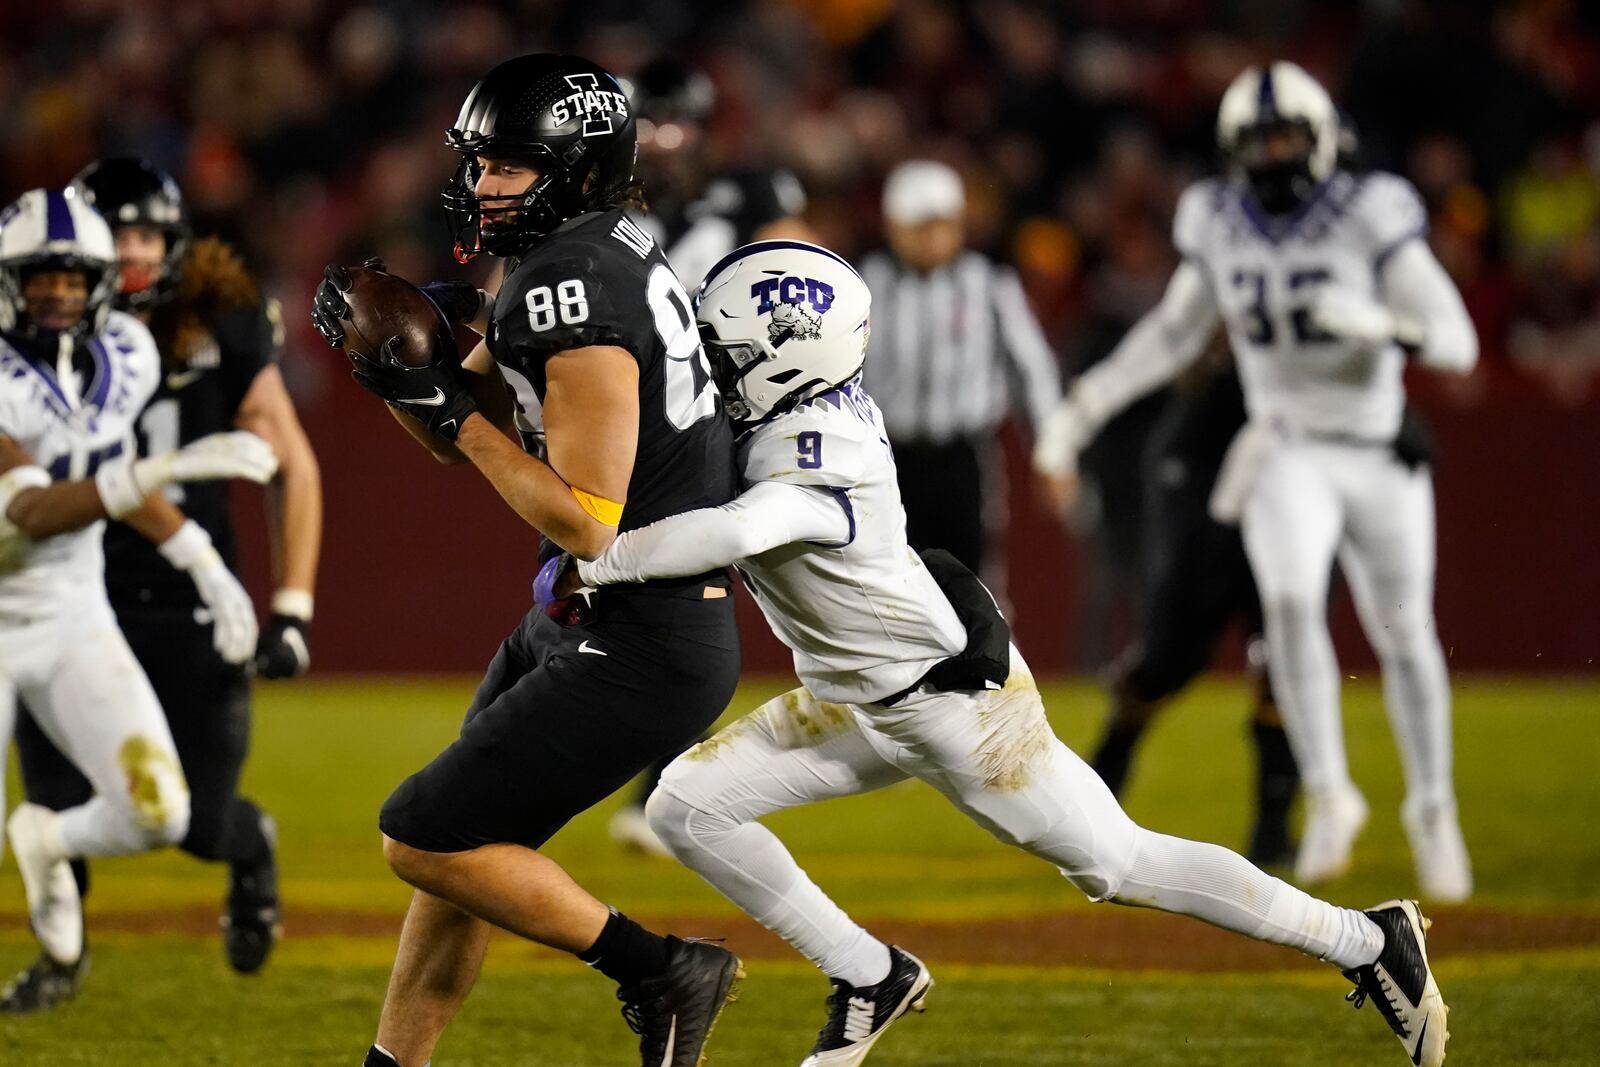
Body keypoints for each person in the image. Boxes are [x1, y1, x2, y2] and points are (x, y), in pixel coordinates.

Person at [550, 239, 1449, 1067]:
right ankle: (870, 974)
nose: (712, 368)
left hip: (950, 706)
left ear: (788, 350)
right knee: (685, 808)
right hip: (853, 695)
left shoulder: (819, 443)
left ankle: (1368, 940)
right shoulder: (784, 403)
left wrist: (603, 558)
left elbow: (747, 525)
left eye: (727, 351)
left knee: (1121, 866)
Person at [310, 54, 743, 1067]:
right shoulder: (592, 252)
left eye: (507, 166)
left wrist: (451, 409)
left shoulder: (572, 280)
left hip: (643, 625)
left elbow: (584, 513)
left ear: (579, 168)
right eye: (479, 163)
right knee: (456, 852)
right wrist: (400, 376)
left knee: (420, 831)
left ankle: (661, 967)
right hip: (596, 614)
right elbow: (466, 419)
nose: (481, 186)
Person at [1032, 62, 1476, 901]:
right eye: (1256, 141)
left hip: (1375, 445)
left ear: (1321, 138)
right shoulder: (1218, 219)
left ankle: (1431, 808)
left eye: (1285, 138)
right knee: (1291, 606)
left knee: (1405, 629)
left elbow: (1457, 343)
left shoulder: (1370, 212)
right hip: (1283, 448)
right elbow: (1170, 335)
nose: (1271, 156)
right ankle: (1330, 792)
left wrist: (1383, 324)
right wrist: (1084, 408)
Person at [7, 157, 323, 995]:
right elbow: (33, 506)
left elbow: (287, 460)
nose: (136, 252)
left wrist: (272, 598)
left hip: (171, 601)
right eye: (119, 236)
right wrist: (159, 479)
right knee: (54, 791)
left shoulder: (171, 335)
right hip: (57, 591)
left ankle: (246, 844)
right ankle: (60, 956)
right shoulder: (39, 346)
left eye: (151, 234)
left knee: (190, 819)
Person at [604, 55, 819, 857]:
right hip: (635, 424)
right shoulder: (603, 208)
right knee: (648, 593)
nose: (662, 143)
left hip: (727, 422)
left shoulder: (750, 195)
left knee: (688, 593)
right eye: (648, 126)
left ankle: (671, 778)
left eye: (675, 124)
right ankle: (665, 773)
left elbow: (806, 285)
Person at [1045, 357, 1301, 866]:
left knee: (1286, 651)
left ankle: (1274, 830)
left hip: (1293, 464)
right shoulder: (1221, 280)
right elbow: (1168, 340)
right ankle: (1106, 773)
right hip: (1205, 455)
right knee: (1170, 657)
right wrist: (1067, 431)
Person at [858, 159, 1062, 580]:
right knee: (889, 580)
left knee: (969, 580)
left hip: (963, 456)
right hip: (885, 457)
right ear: (894, 225)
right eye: (920, 226)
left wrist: (1053, 451)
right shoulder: (864, 285)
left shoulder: (988, 283)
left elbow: (1032, 367)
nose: (932, 238)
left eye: (941, 224)